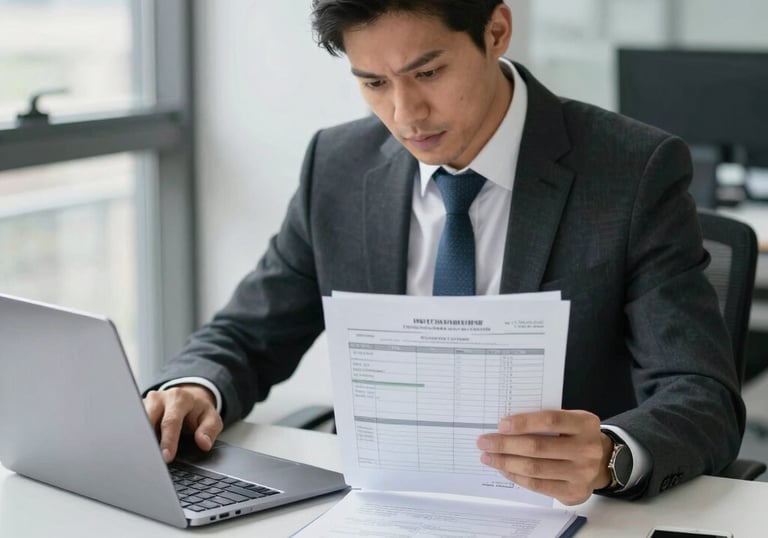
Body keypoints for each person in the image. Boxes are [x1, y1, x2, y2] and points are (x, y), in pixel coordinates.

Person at [143, 0, 744, 506]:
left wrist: (610, 455)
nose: (405, 116)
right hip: (383, 510)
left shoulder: (631, 171)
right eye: (374, 83)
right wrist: (196, 387)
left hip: (563, 516)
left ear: (496, 31)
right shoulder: (338, 166)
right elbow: (248, 332)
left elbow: (701, 397)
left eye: (427, 73)